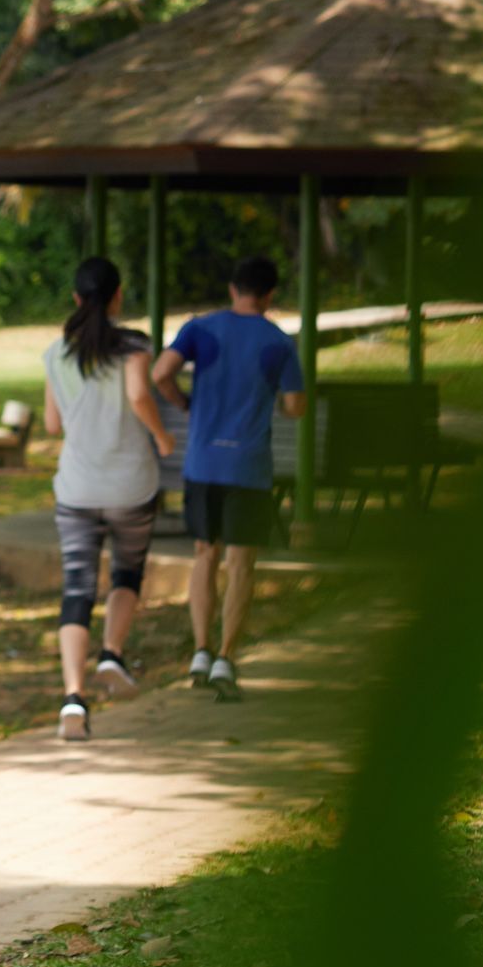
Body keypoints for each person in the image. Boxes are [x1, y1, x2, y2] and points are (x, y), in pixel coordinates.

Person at [147, 255, 305, 698]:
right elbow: (296, 406)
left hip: (203, 465)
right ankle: (226, 659)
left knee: (204, 555)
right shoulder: (279, 343)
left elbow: (160, 373)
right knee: (241, 565)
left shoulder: (200, 329)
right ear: (271, 295)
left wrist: (183, 403)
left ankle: (200, 649)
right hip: (249, 468)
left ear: (233, 288)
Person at [44, 256, 173, 741]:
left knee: (77, 589)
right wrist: (161, 437)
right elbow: (141, 395)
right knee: (126, 572)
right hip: (130, 487)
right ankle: (112, 654)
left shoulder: (56, 353)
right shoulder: (134, 346)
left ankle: (73, 701)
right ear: (117, 297)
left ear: (77, 298)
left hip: (76, 489)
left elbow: (53, 424)